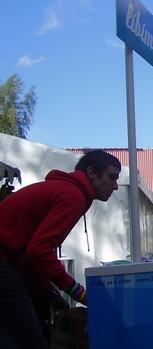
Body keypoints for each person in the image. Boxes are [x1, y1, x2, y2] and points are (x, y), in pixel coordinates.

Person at [0, 149, 121, 349]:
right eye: (112, 177)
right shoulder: (73, 195)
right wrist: (79, 294)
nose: (115, 186)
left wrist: (50, 293)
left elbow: (27, 257)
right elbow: (39, 251)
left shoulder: (64, 190)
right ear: (91, 172)